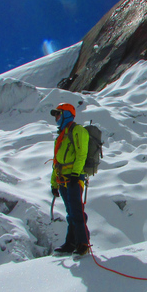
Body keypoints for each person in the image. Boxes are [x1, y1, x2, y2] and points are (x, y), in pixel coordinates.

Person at [50, 103, 90, 256]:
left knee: (76, 211)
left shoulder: (78, 130)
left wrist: (75, 174)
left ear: (67, 114)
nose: (56, 118)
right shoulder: (61, 136)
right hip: (63, 179)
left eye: (58, 114)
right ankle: (71, 243)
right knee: (70, 212)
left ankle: (83, 243)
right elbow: (56, 162)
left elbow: (82, 154)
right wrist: (54, 183)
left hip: (74, 178)